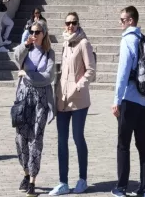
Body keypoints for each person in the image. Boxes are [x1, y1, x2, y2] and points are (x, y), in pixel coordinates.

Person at [49, 12, 95, 196]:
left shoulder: (84, 43)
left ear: (78, 24)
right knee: (61, 141)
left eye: (74, 23)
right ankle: (63, 182)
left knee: (77, 137)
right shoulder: (65, 43)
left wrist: (78, 86)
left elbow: (91, 70)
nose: (70, 26)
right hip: (62, 99)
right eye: (68, 23)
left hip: (78, 100)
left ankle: (82, 179)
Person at [111, 6, 145, 197]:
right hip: (144, 100)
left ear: (130, 21)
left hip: (129, 98)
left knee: (123, 144)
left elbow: (122, 73)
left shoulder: (127, 40)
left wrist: (116, 100)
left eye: (122, 19)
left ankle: (121, 187)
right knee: (142, 143)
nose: (120, 23)